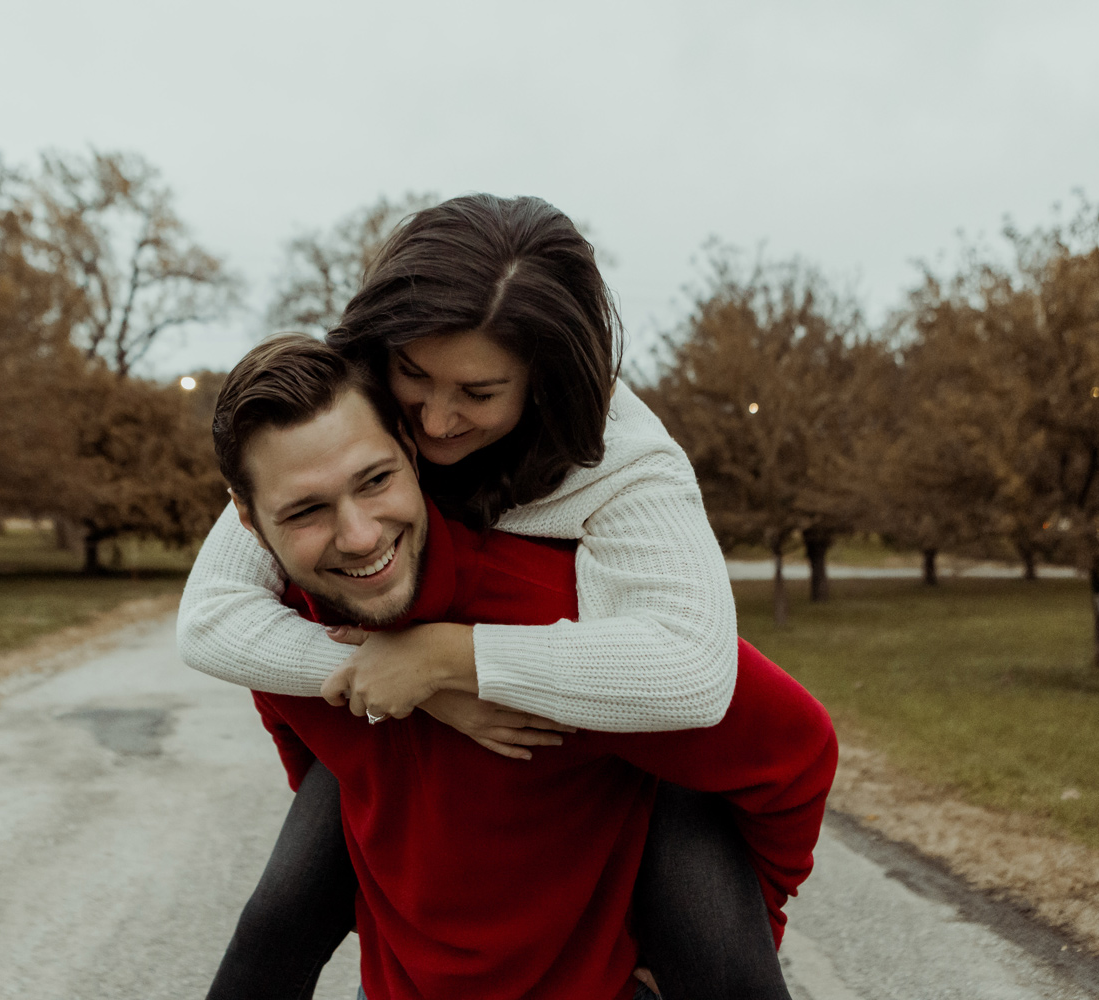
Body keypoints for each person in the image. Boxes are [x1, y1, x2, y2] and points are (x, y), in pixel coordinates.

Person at [178, 195, 784, 997]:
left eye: (478, 392)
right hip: (403, 729)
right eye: (416, 376)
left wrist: (454, 659)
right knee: (277, 918)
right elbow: (214, 616)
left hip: (583, 751)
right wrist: (402, 678)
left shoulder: (627, 461)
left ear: (541, 380)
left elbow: (693, 671)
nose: (433, 417)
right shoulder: (352, 409)